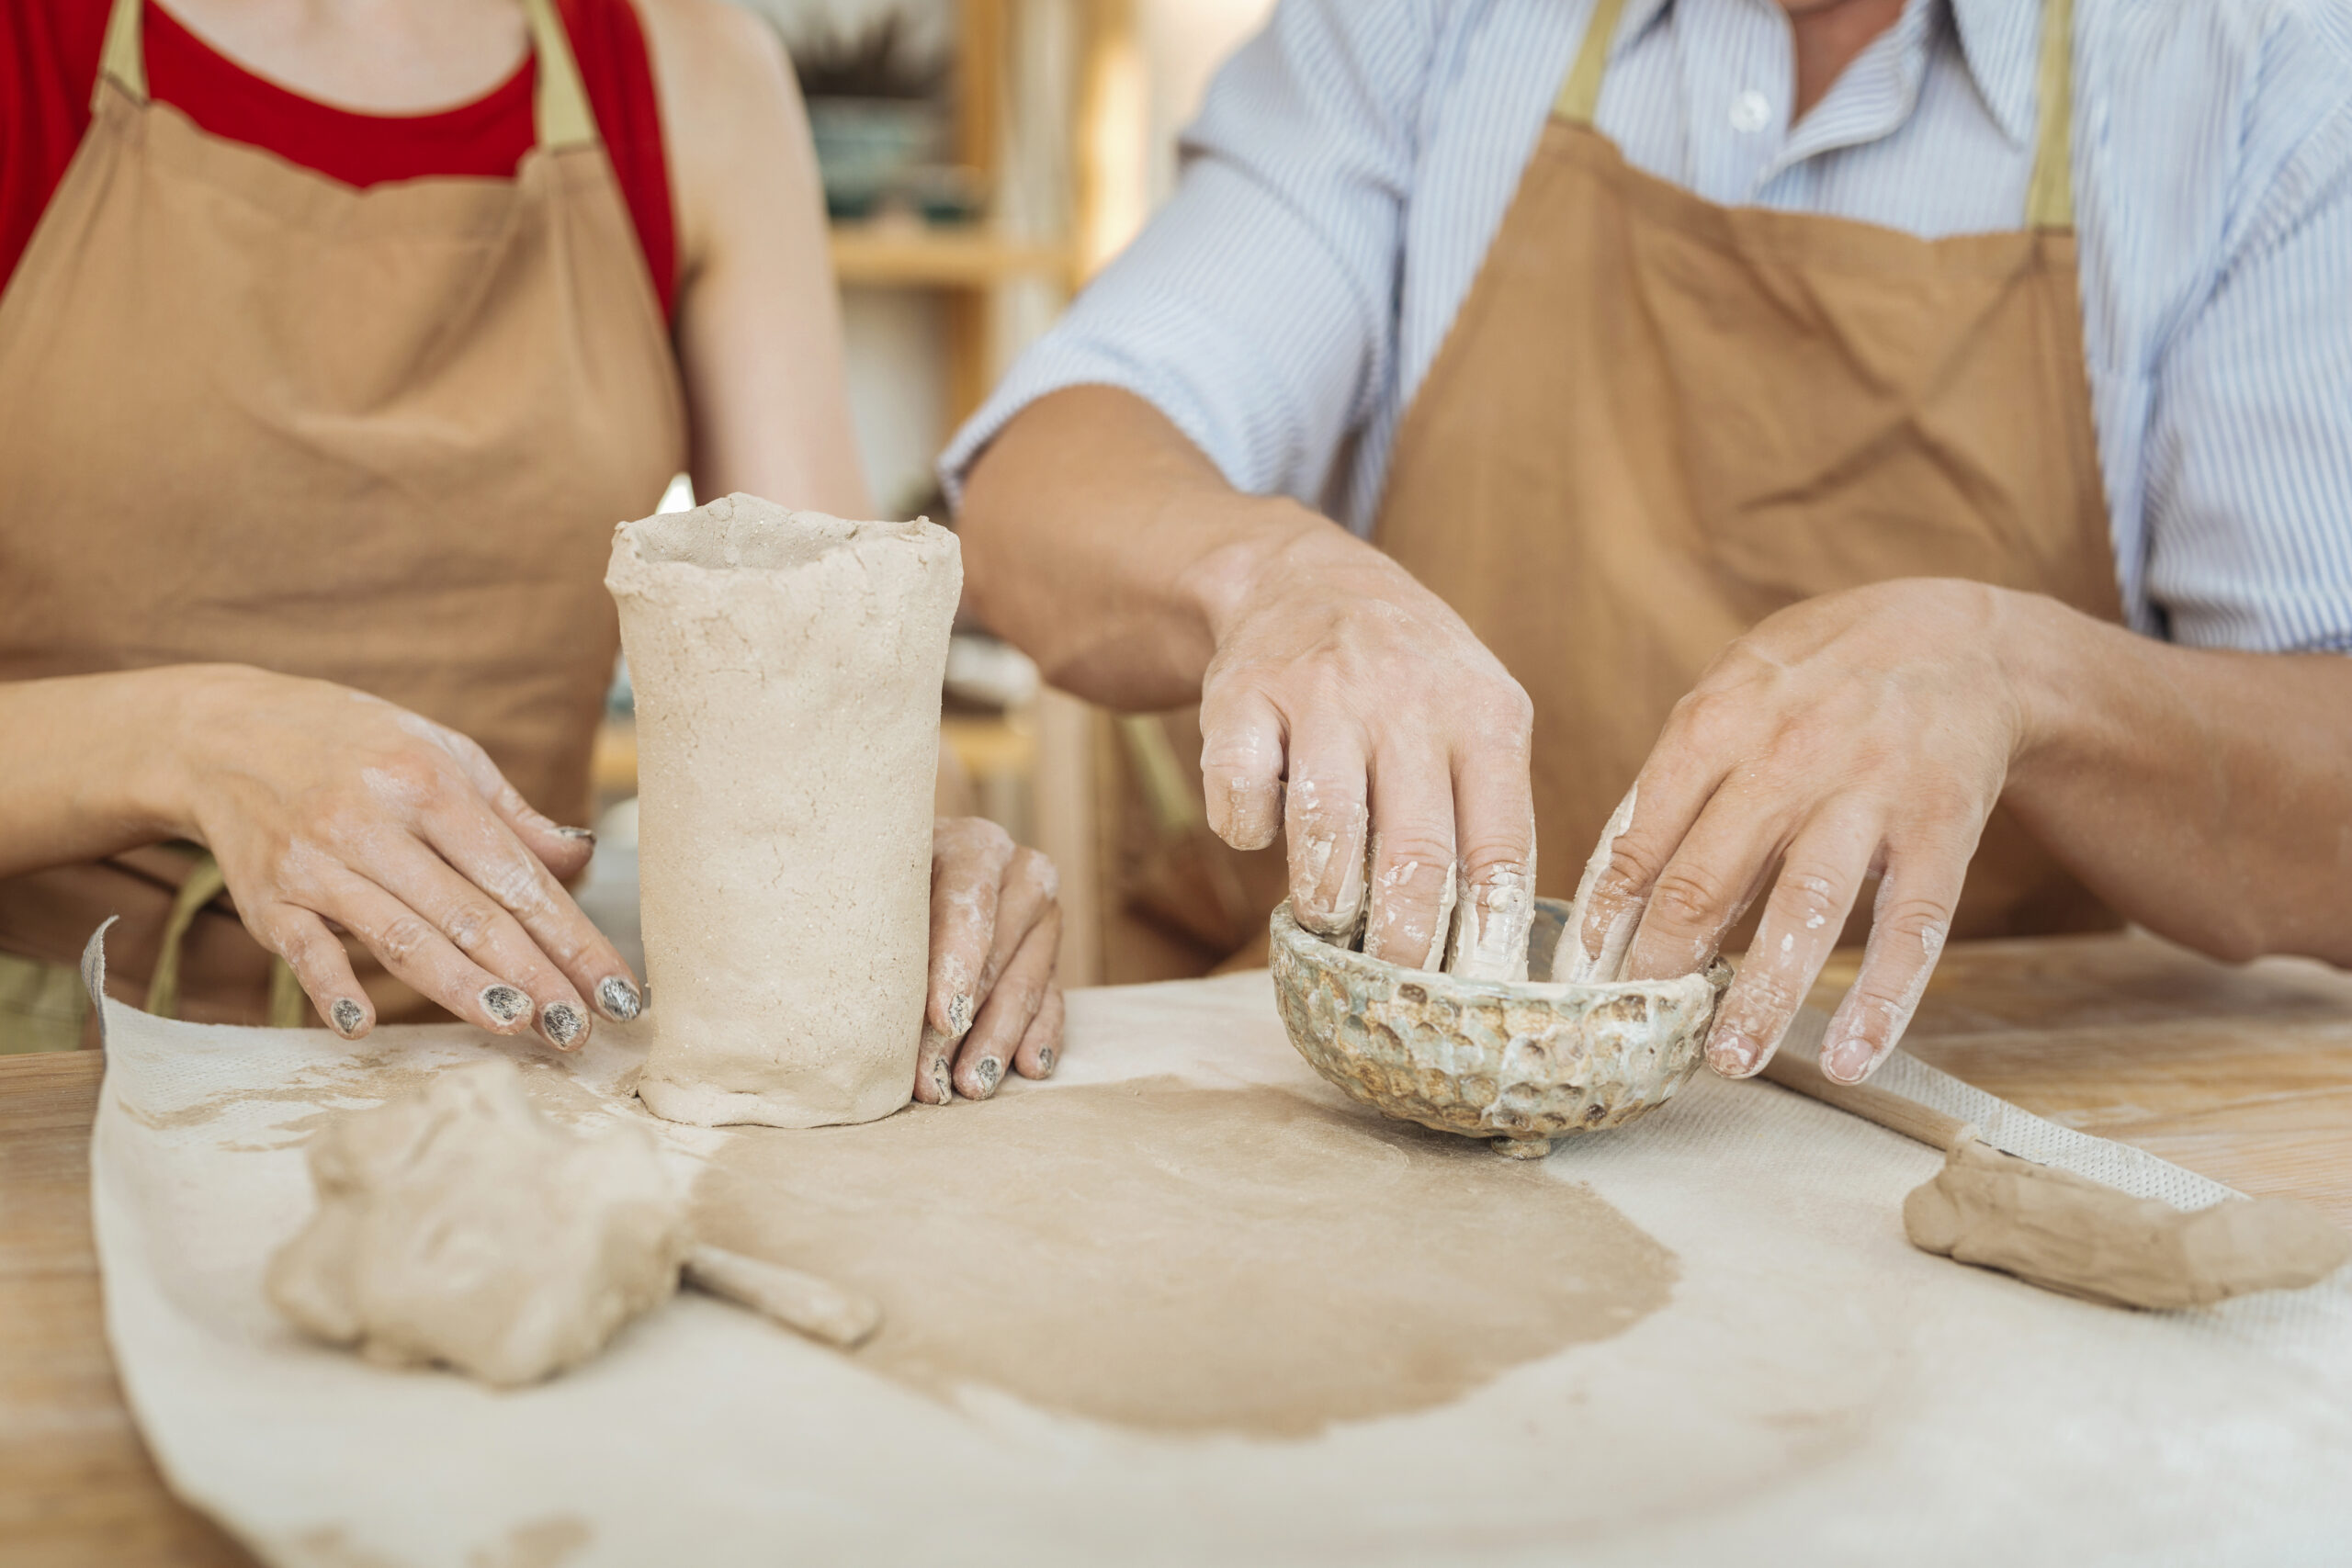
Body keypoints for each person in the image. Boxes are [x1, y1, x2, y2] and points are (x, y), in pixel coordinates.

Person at [947, 0, 2352, 1085]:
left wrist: (2023, 674)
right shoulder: (1430, 31)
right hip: (1394, 1106)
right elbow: (1037, 485)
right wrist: (1272, 575)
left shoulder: (2257, 67)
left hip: (1950, 1133)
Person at [0, 0, 1060, 1101]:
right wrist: (193, 738)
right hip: (44, 1056)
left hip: (510, 1073)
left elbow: (837, 650)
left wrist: (931, 851)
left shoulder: (692, 79)